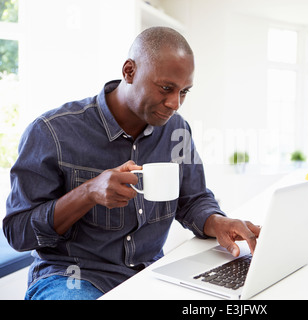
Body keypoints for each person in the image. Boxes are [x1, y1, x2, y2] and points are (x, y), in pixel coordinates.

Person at [3, 26, 261, 300]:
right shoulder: (51, 131)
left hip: (150, 275)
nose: (175, 103)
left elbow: (193, 200)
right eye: (166, 88)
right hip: (72, 279)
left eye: (184, 91)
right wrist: (88, 193)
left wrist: (218, 221)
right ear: (129, 71)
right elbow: (18, 232)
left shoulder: (177, 131)